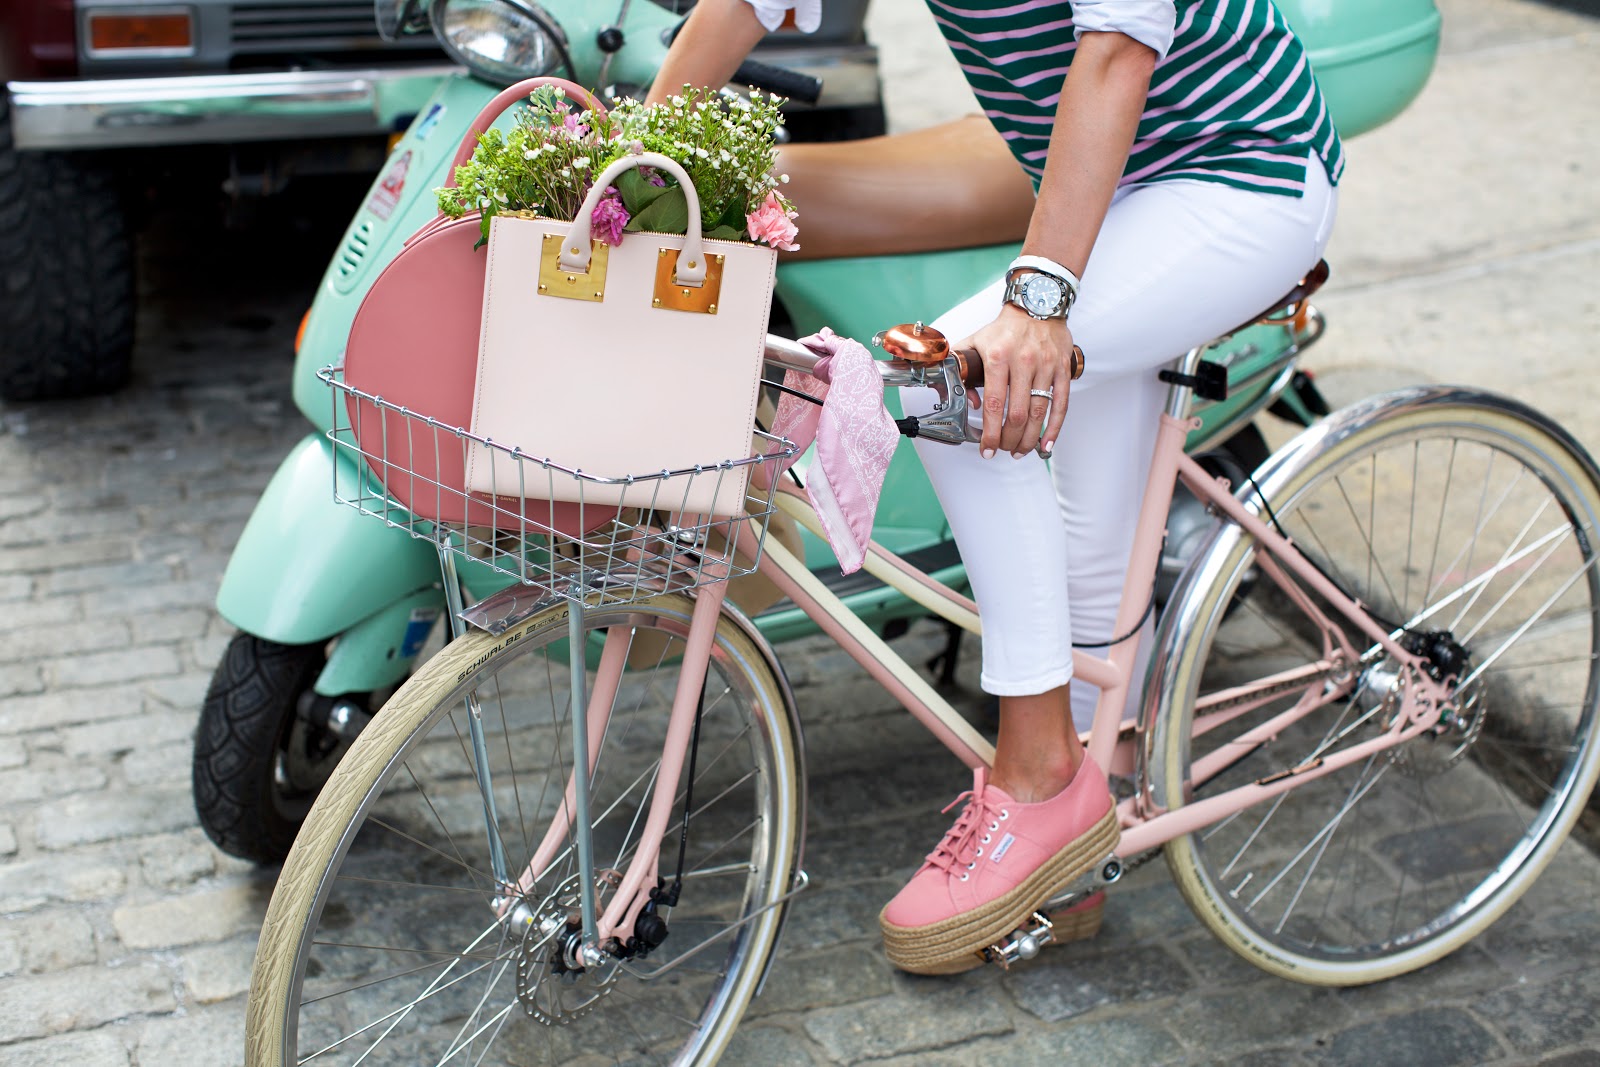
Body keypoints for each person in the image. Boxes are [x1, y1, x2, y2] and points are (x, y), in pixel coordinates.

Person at [647, 0, 1341, 975]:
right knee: (1089, 540)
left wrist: (1037, 304)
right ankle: (1076, 851)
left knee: (950, 388)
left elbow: (1115, 52)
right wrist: (628, 177)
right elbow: (738, 8)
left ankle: (1041, 775)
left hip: (1237, 176)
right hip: (1109, 190)